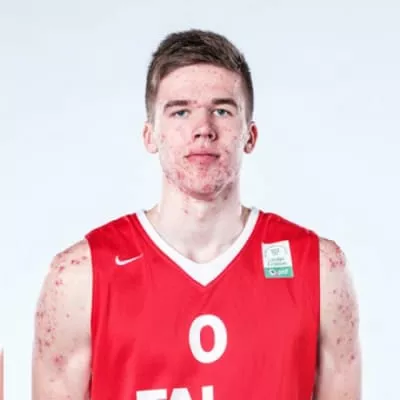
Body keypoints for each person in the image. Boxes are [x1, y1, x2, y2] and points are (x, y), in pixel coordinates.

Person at [32, 29, 361, 399]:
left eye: (222, 111)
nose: (203, 129)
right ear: (150, 135)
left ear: (250, 135)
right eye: (180, 112)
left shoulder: (319, 269)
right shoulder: (80, 277)